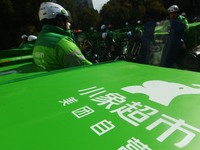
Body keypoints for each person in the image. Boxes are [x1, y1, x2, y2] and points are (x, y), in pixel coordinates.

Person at [33, 2, 92, 71]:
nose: (68, 23)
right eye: (66, 20)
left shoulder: (39, 40)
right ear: (60, 21)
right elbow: (87, 69)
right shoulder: (62, 43)